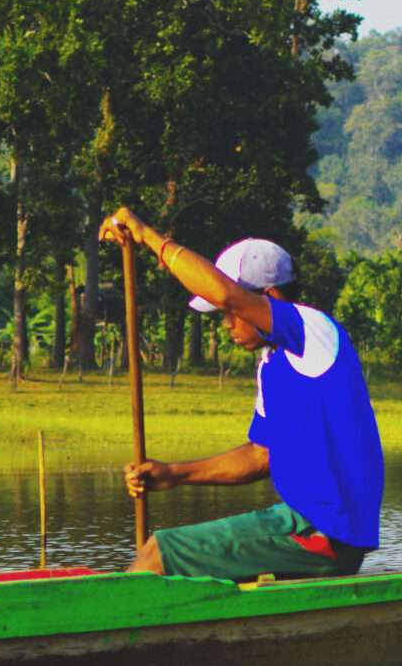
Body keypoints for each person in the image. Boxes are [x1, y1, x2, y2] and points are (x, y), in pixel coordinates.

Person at [96, 206, 383, 581]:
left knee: (160, 552)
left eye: (231, 312)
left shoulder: (312, 331)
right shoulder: (272, 364)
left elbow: (226, 295)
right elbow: (260, 455)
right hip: (302, 527)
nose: (227, 323)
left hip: (321, 533)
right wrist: (174, 474)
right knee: (179, 570)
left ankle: (113, 636)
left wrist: (146, 236)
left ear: (270, 296)